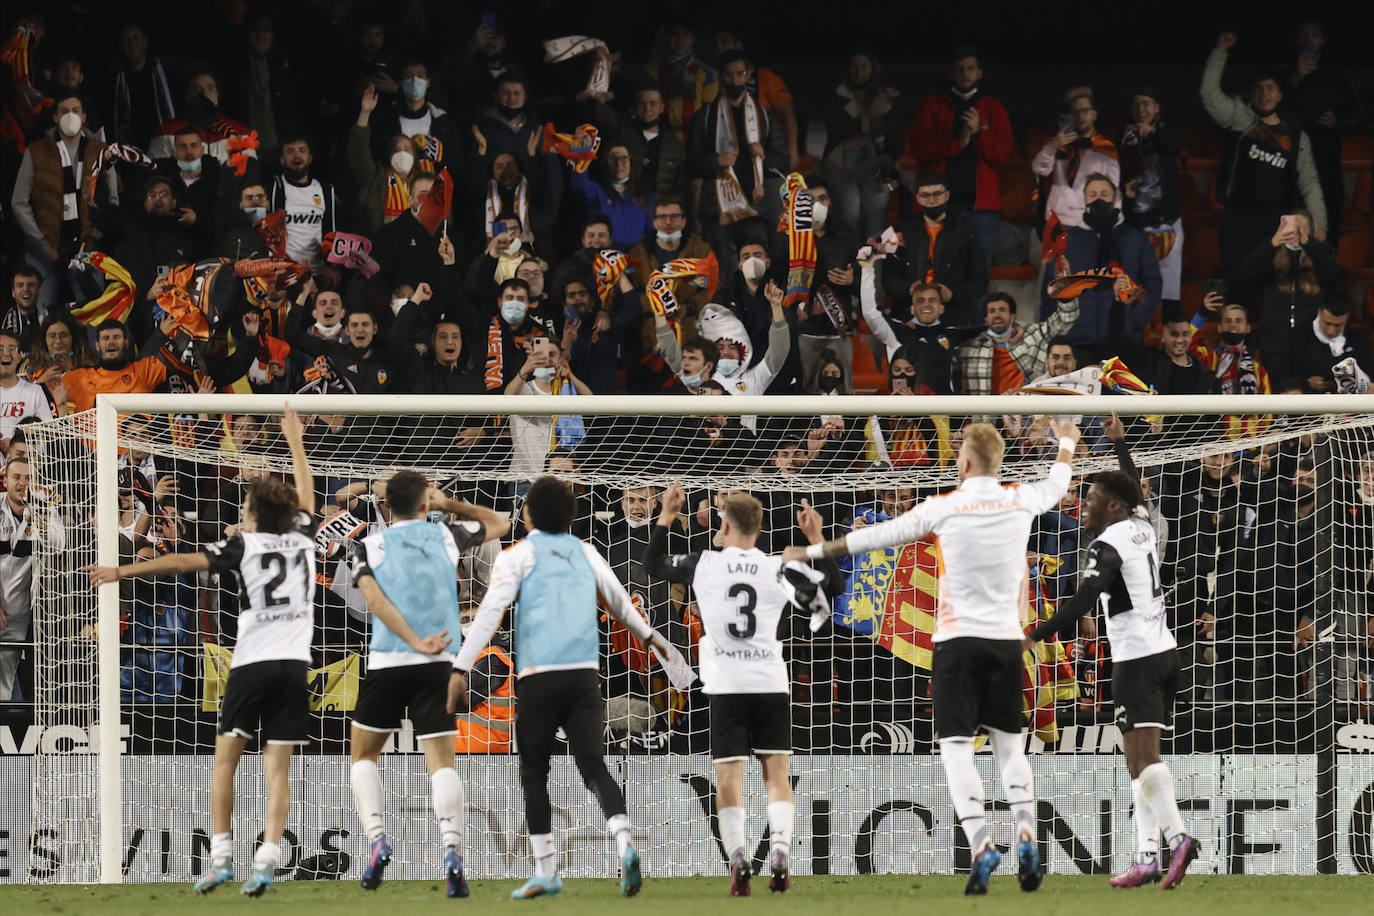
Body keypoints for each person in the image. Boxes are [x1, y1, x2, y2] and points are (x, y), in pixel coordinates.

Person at [785, 420, 1083, 895]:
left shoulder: (943, 506)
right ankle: (1027, 835)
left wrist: (815, 547)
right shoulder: (1022, 499)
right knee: (1010, 744)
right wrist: (1066, 437)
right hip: (1006, 641)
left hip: (956, 641)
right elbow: (1061, 479)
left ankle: (982, 844)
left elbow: (872, 539)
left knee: (956, 746)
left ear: (963, 463)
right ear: (1000, 463)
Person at [83, 408, 315, 896]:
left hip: (251, 664)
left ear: (253, 515)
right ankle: (269, 856)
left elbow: (180, 560)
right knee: (278, 768)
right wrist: (294, 441)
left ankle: (223, 856)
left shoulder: (244, 546)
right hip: (296, 667)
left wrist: (121, 573)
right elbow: (307, 489)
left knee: (225, 760)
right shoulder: (303, 538)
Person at [449, 476, 673, 899]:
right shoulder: (586, 551)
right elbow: (621, 605)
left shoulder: (517, 556)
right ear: (570, 515)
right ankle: (625, 842)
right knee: (593, 766)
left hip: (538, 675)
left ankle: (546, 870)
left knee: (534, 772)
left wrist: (460, 668)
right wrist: (653, 639)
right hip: (585, 676)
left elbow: (488, 616)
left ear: (528, 514)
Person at [646, 485, 842, 895]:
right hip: (770, 681)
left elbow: (652, 565)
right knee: (776, 775)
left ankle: (738, 856)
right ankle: (782, 852)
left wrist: (666, 514)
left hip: (727, 686)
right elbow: (833, 587)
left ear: (726, 524)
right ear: (758, 528)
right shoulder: (777, 566)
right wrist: (816, 539)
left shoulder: (704, 564)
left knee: (729, 778)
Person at [1026, 468, 1200, 890]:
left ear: (1113, 506)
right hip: (1163, 652)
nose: (1083, 505)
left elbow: (1084, 597)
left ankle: (1178, 839)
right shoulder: (1140, 524)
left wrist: (1032, 636)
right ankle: (1146, 857)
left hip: (1136, 661)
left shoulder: (1108, 544)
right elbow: (1133, 485)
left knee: (1144, 760)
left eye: (1091, 499)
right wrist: (1120, 443)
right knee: (1137, 761)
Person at [345, 470, 509, 897]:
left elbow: (375, 603)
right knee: (441, 761)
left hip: (386, 659)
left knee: (363, 757)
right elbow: (501, 523)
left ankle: (378, 839)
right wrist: (449, 504)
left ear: (386, 505)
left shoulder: (368, 544)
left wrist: (411, 638)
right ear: (425, 503)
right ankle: (452, 849)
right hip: (438, 662)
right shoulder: (446, 537)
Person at [1202, 33, 1328, 292]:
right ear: (1251, 93)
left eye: (1270, 88)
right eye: (1259, 88)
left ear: (1280, 95)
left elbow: (1310, 182)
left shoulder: (1294, 135)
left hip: (1276, 222)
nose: (1264, 94)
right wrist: (1220, 52)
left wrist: (1319, 224)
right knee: (1238, 287)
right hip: (1238, 218)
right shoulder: (1239, 119)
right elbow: (1209, 95)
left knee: (1277, 290)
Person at [906, 46, 1013, 258]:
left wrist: (978, 135)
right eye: (960, 68)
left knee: (978, 276)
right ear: (952, 73)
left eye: (970, 68)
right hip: (937, 208)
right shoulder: (933, 104)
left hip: (980, 209)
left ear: (979, 73)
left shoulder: (993, 107)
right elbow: (919, 148)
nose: (965, 73)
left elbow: (1002, 155)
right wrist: (957, 143)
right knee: (935, 274)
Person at [10, 93, 114, 310]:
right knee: (40, 313)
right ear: (55, 117)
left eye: (75, 110)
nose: (70, 115)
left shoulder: (101, 151)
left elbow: (112, 201)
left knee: (95, 313)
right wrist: (42, 244)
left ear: (84, 116)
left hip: (88, 247)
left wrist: (94, 238)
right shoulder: (36, 151)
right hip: (44, 248)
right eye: (64, 111)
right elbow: (19, 202)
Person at [1045, 174, 1160, 364]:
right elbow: (1050, 291)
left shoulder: (1136, 239)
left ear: (1115, 198)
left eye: (1104, 194)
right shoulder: (1067, 241)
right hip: (1076, 344)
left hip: (1124, 341)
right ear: (1085, 199)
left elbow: (1153, 285)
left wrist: (1134, 322)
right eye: (1093, 194)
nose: (1098, 199)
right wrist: (1057, 334)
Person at [881, 172, 987, 326]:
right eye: (925, 195)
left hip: (951, 315)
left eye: (937, 194)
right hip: (907, 314)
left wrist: (953, 294)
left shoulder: (965, 233)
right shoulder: (901, 231)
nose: (931, 200)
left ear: (947, 195)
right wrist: (908, 289)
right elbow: (888, 277)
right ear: (917, 198)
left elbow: (980, 281)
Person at [0, 457, 65, 702]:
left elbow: (60, 546)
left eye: (28, 478)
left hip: (20, 613)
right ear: (5, 480)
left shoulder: (46, 509)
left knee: (5, 684)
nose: (22, 483)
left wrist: (43, 524)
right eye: (16, 477)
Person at [821, 51, 904, 239]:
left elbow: (897, 135)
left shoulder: (888, 96)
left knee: (876, 226)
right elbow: (832, 127)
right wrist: (856, 133)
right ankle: (850, 267)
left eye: (864, 66)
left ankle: (872, 269)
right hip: (842, 165)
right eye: (855, 67)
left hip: (876, 167)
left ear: (873, 68)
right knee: (848, 222)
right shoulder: (837, 95)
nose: (859, 72)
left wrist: (888, 158)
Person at [1117, 88, 1185, 304]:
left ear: (1157, 107)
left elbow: (1174, 147)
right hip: (1135, 220)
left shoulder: (1167, 131)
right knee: (1134, 286)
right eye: (1137, 104)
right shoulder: (1124, 136)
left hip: (1166, 219)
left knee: (1168, 288)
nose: (1141, 109)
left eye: (1146, 103)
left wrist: (1152, 134)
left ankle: (1167, 328)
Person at [1030, 86, 1118, 230]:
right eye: (1075, 112)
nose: (1080, 116)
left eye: (1085, 111)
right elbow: (1039, 170)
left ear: (1094, 115)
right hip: (1056, 220)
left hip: (1089, 222)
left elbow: (1114, 188)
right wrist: (1054, 146)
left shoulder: (1105, 148)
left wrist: (1111, 219)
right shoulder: (1055, 143)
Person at [959, 292, 1079, 395]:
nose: (996, 315)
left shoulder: (1033, 335)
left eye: (1002, 310)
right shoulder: (969, 346)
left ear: (1013, 315)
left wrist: (1065, 287)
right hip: (984, 416)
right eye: (991, 311)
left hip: (1026, 413)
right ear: (985, 318)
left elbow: (1065, 318)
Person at [268, 136, 340, 276]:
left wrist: (331, 266)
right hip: (282, 273)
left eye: (302, 150)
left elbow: (331, 232)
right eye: (290, 151)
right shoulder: (275, 187)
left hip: (316, 273)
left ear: (310, 158)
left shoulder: (325, 190)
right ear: (282, 160)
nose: (297, 155)